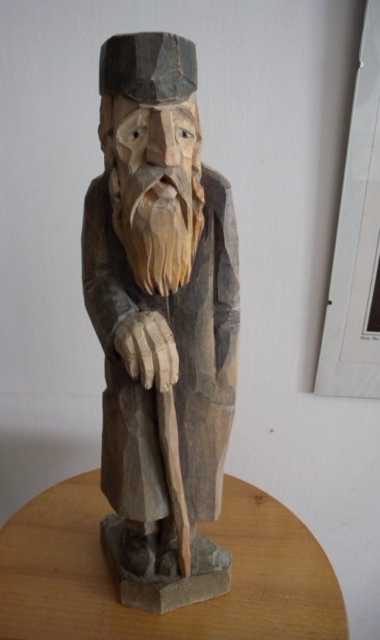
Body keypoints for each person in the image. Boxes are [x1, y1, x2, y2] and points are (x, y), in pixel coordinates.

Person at [82, 33, 239, 577]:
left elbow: (229, 300)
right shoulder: (101, 201)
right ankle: (140, 531)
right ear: (107, 135)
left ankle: (183, 535)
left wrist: (224, 373)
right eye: (136, 131)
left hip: (200, 366)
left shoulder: (216, 198)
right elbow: (97, 280)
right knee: (135, 438)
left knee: (197, 444)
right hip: (134, 368)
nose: (165, 153)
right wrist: (124, 321)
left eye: (182, 131)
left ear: (199, 135)